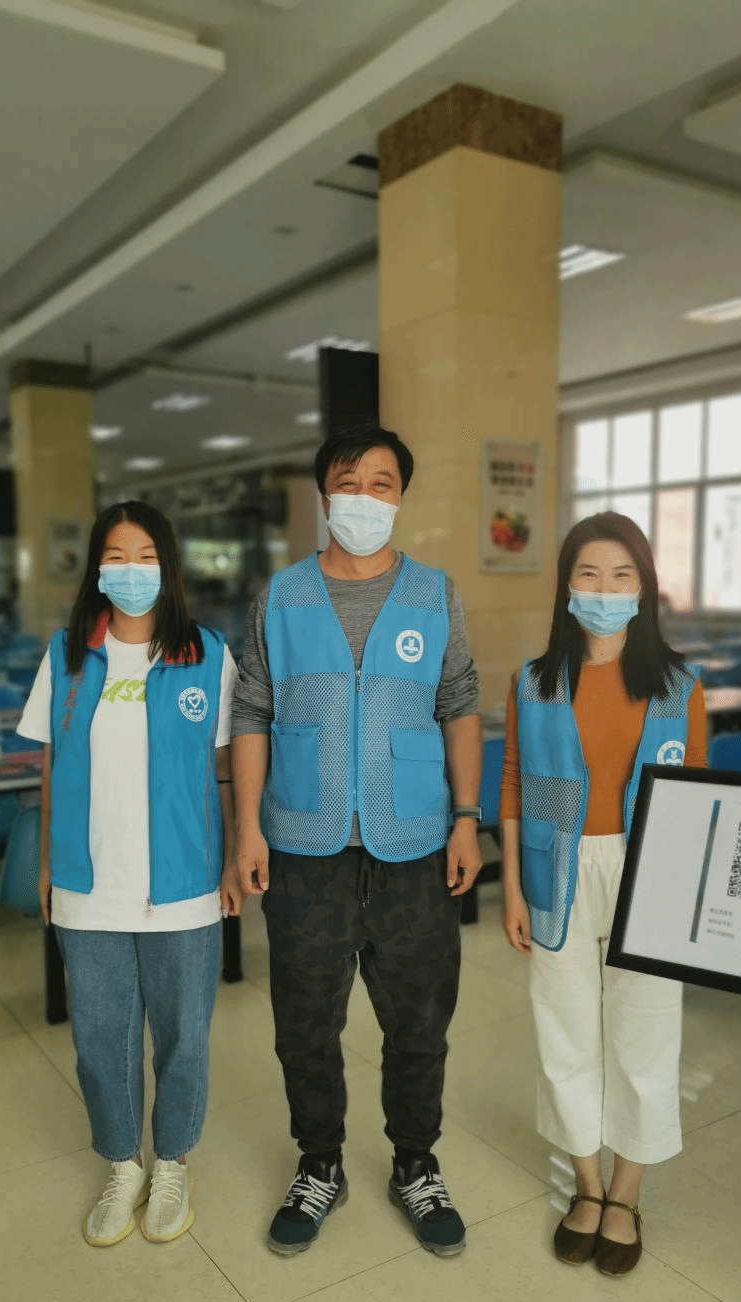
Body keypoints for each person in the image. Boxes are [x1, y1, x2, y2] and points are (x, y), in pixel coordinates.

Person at [231, 424, 483, 1259]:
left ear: (400, 497)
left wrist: (467, 818)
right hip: (305, 847)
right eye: (349, 482)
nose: (364, 498)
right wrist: (247, 829)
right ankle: (320, 1162)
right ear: (324, 494)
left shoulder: (433, 594)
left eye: (382, 484)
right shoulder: (282, 596)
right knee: (304, 1022)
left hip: (413, 845)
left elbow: (459, 704)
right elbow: (252, 711)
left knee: (419, 1019)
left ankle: (416, 1161)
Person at [16, 500, 241, 1248]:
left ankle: (172, 1162)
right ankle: (123, 1163)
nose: (132, 570)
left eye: (146, 556)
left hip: (183, 884)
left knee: (184, 1037)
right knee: (100, 1039)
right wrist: (48, 864)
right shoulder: (66, 655)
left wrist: (234, 855)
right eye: (117, 556)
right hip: (89, 883)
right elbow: (52, 764)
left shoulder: (207, 654)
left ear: (168, 567)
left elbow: (227, 768)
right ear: (97, 569)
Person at [499, 511, 706, 1276]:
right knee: (565, 1029)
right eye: (589, 573)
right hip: (555, 868)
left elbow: (697, 797)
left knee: (645, 1032)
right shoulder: (535, 681)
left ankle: (626, 1192)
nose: (606, 589)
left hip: (650, 867)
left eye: (623, 575)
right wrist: (511, 888)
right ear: (566, 586)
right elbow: (513, 785)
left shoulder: (680, 685)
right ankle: (586, 1183)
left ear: (645, 588)